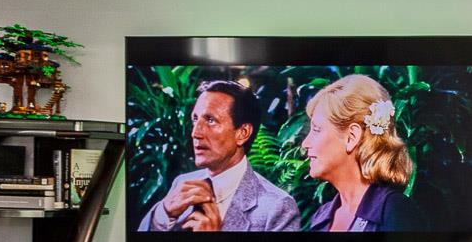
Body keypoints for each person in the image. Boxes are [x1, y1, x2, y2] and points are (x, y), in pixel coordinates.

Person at [138, 80, 299, 232]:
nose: (195, 133)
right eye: (195, 119)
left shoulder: (278, 208)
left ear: (242, 133)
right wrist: (163, 213)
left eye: (210, 120)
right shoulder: (182, 183)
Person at [301, 74, 416, 232]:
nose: (305, 143)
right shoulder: (321, 217)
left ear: (352, 137)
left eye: (317, 130)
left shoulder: (395, 213)